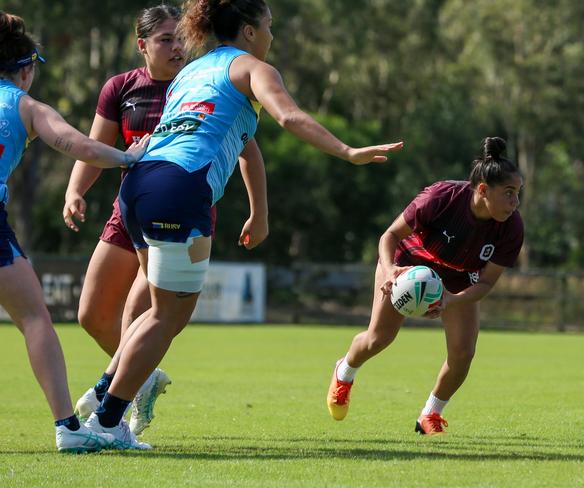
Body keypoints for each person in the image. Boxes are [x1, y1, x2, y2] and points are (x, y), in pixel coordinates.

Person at [82, 0, 403, 449]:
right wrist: (347, 152)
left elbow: (213, 136)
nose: (273, 34)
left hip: (136, 186)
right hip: (180, 188)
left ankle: (103, 398)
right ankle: (106, 422)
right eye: (270, 25)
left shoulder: (191, 72)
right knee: (166, 315)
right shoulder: (252, 68)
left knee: (156, 310)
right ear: (249, 31)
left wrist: (259, 208)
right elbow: (289, 117)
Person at [0, 11, 150, 452]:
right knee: (32, 317)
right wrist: (127, 157)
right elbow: (77, 145)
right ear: (27, 69)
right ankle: (68, 427)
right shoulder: (24, 105)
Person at [326, 137, 524, 435]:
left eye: (518, 193)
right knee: (379, 339)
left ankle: (430, 414)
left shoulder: (511, 227)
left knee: (463, 354)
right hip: (407, 262)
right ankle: (344, 372)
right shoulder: (442, 197)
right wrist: (391, 270)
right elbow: (388, 236)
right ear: (483, 189)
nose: (515, 202)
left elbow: (485, 283)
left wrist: (450, 300)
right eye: (509, 193)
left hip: (460, 275)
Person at [62, 4, 189, 437]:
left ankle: (112, 399)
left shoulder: (200, 86)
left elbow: (245, 146)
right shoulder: (120, 87)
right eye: (166, 39)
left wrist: (256, 207)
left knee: (140, 310)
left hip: (178, 216)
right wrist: (75, 190)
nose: (177, 47)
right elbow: (96, 146)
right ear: (142, 46)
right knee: (92, 314)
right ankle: (144, 374)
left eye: (181, 37)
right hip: (128, 210)